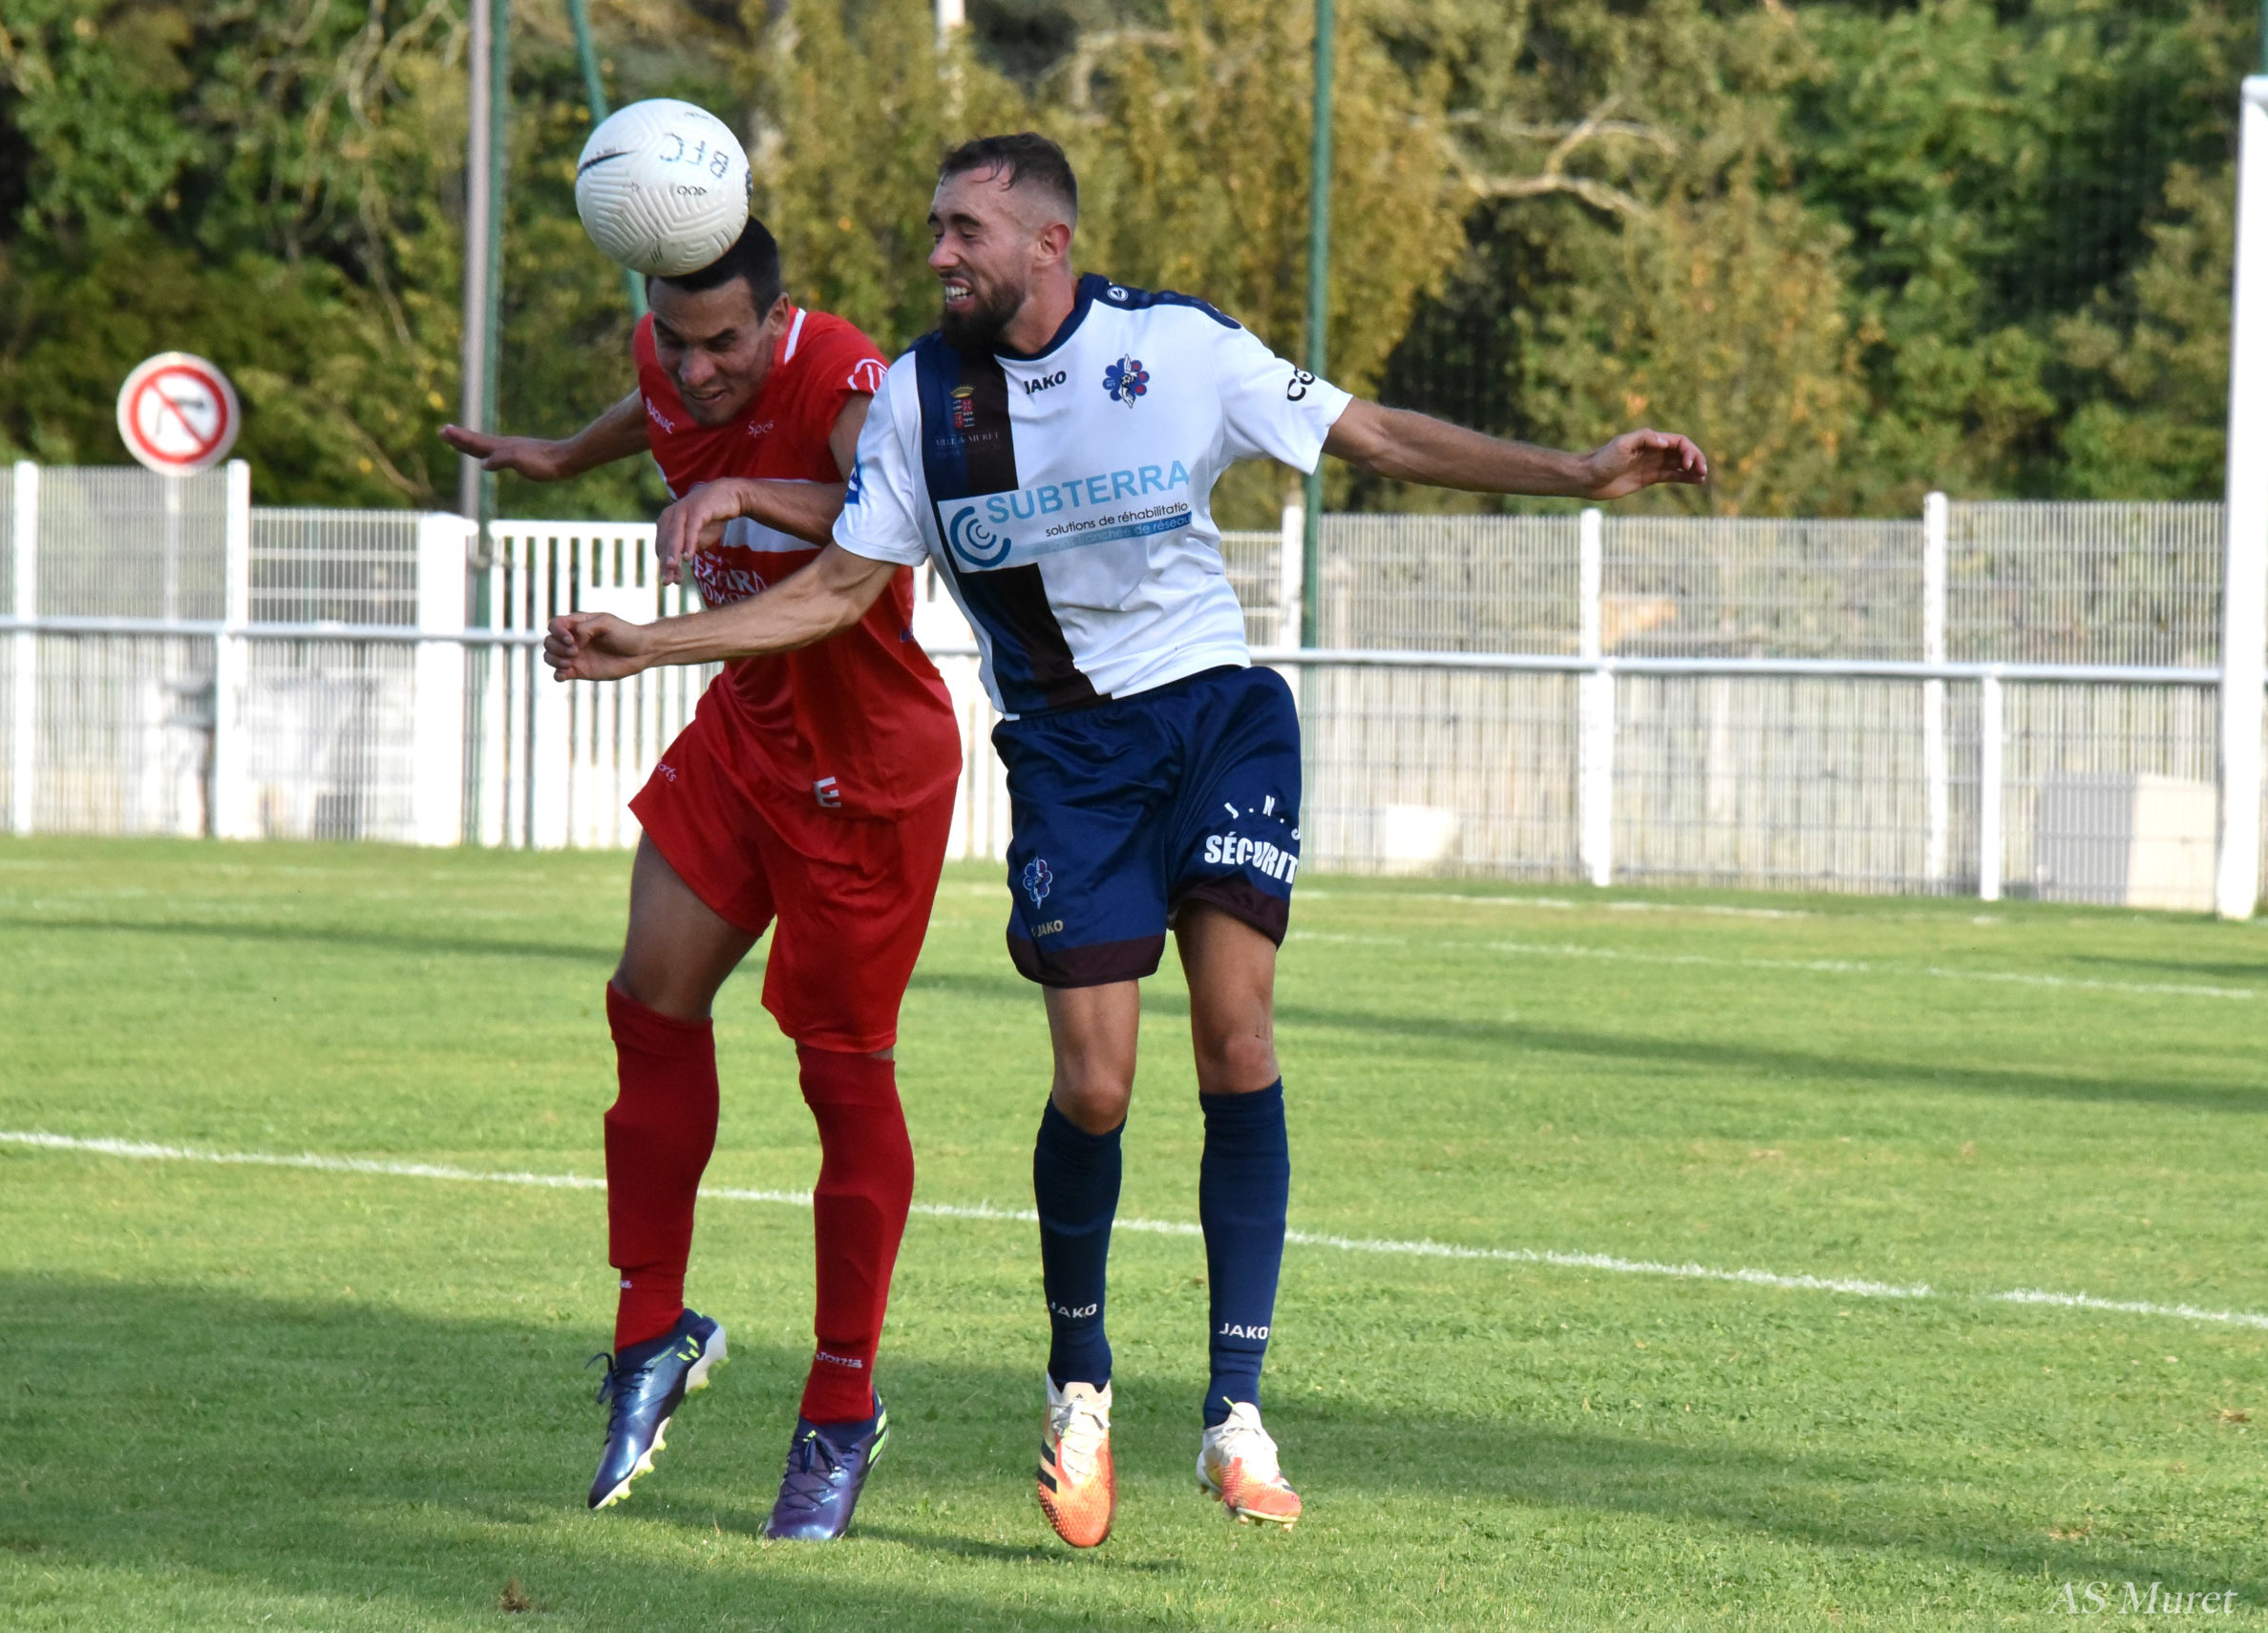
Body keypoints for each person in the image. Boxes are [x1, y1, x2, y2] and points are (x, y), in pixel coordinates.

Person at [539, 137, 1707, 1549]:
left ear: (1049, 242)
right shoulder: (920, 400)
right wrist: (651, 642)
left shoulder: (1179, 348)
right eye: (933, 228)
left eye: (963, 229)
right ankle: (1080, 1385)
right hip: (1069, 756)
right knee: (1094, 1088)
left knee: (1238, 1039)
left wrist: (1578, 471)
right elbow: (841, 586)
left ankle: (1234, 1412)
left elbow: (1377, 435)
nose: (937, 253)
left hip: (1215, 717)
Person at [440, 218, 962, 1543]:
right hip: (749, 734)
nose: (697, 368)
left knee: (841, 1075)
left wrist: (723, 523)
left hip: (867, 769)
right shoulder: (668, 359)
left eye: (725, 342)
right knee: (649, 1002)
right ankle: (652, 1330)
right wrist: (563, 454)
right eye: (676, 340)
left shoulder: (845, 379)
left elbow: (877, 545)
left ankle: (840, 1405)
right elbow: (657, 408)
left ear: (779, 320)